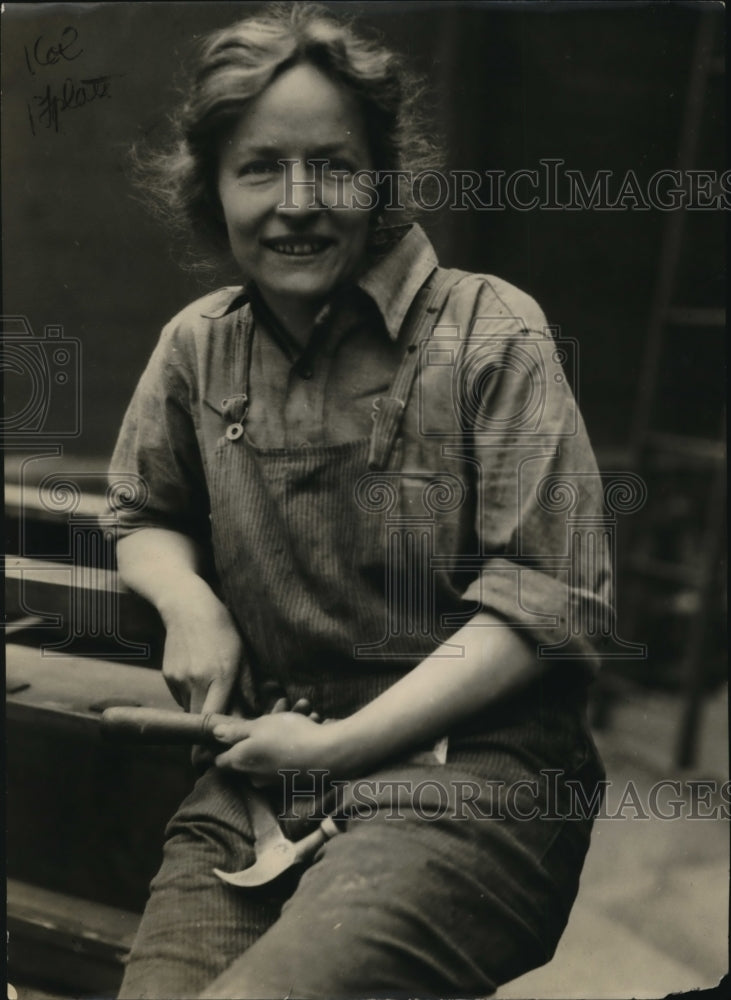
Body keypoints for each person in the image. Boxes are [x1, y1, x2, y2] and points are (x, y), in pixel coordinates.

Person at [109, 3, 610, 997]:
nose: (297, 202)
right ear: (211, 185)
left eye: (332, 165)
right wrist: (189, 601)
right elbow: (143, 513)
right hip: (266, 778)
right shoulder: (199, 345)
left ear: (380, 176)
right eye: (259, 167)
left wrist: (337, 747)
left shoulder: (490, 332)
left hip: (477, 778)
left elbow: (543, 604)